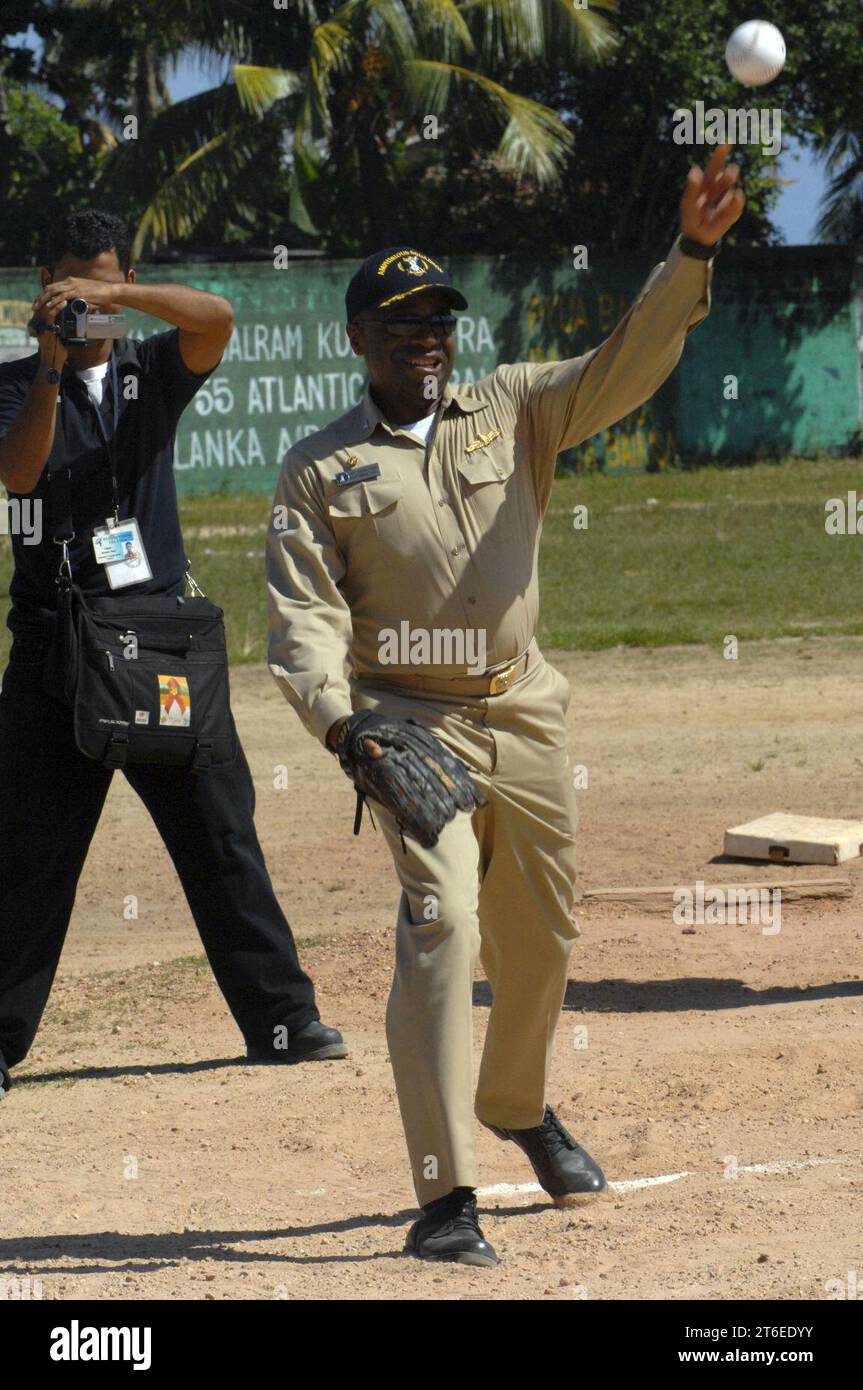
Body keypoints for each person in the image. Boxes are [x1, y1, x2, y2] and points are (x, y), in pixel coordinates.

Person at [266, 147, 744, 1265]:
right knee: (442, 928)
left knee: (540, 938)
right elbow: (301, 622)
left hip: (521, 712)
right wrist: (346, 727)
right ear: (358, 340)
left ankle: (515, 1104)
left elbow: (626, 362)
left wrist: (690, 252)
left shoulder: (512, 406)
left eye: (439, 320)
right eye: (402, 323)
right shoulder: (317, 469)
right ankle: (444, 1197)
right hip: (407, 723)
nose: (427, 338)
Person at [0, 209, 347, 1103]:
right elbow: (19, 478)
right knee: (29, 855)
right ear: (41, 284)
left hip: (159, 640)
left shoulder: (153, 371)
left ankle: (282, 1018)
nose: (86, 308)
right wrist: (46, 363)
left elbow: (216, 317)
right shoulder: (12, 385)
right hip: (54, 647)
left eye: (103, 284)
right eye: (69, 284)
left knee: (222, 834)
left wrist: (115, 296)